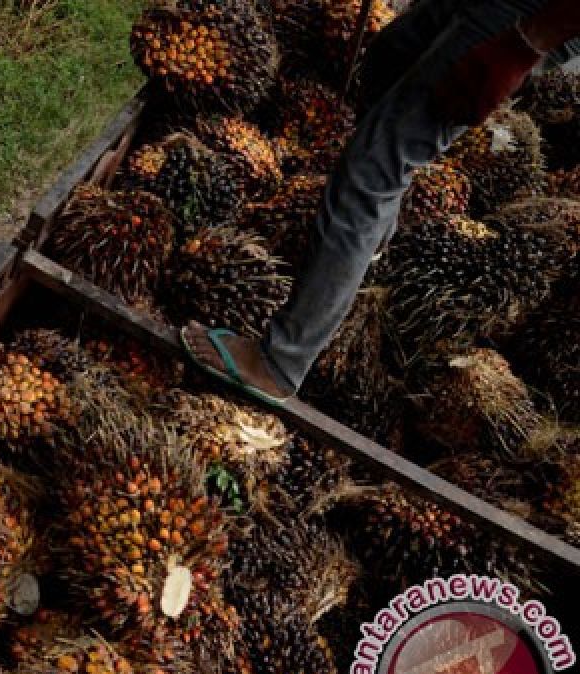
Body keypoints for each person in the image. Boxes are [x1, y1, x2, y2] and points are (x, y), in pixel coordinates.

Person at [181, 0, 580, 407]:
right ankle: (367, 239)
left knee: (375, 165)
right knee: (390, 58)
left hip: (532, 17)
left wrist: (522, 47)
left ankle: (280, 363)